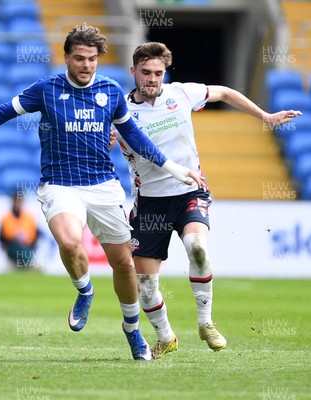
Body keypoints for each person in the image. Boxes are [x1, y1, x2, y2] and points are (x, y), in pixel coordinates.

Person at [0, 25, 203, 361]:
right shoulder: (47, 89)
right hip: (60, 185)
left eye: (92, 59)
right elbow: (0, 112)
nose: (86, 65)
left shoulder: (110, 92)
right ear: (66, 57)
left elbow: (136, 138)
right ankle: (85, 291)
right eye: (79, 58)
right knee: (69, 241)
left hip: (103, 186)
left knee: (124, 265)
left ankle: (132, 331)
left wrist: (174, 169)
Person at [115, 42, 301, 359]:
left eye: (158, 73)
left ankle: (206, 322)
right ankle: (165, 336)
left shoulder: (181, 94)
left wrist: (264, 116)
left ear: (165, 73)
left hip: (190, 192)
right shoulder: (120, 111)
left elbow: (225, 93)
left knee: (197, 248)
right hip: (149, 203)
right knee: (145, 285)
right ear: (133, 72)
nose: (152, 79)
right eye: (145, 72)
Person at [0, 191, 39, 270]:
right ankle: (29, 264)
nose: (18, 204)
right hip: (12, 252)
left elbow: (35, 237)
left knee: (25, 251)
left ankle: (27, 262)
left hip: (27, 248)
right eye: (16, 201)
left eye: (20, 201)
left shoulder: (29, 218)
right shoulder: (6, 218)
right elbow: (2, 238)